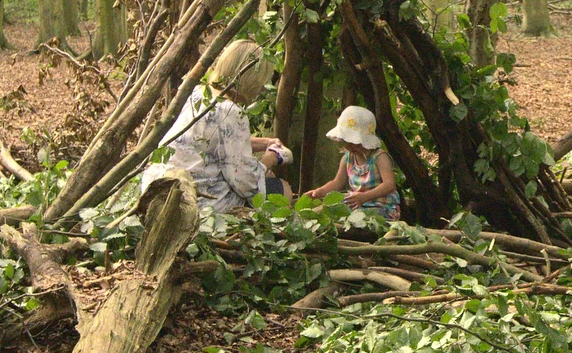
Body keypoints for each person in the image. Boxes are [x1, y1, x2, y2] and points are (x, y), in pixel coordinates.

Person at [140, 40, 291, 212]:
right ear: (252, 79)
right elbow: (246, 183)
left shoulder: (198, 94)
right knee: (282, 190)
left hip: (156, 191)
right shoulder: (231, 111)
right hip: (193, 204)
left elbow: (215, 142)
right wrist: (271, 158)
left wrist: (264, 143)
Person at [304, 105, 402, 221]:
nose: (350, 146)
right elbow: (337, 182)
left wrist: (365, 197)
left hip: (380, 206)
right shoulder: (348, 158)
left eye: (354, 142)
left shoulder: (379, 157)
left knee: (363, 217)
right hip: (357, 204)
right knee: (332, 209)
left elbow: (389, 185)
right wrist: (320, 192)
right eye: (346, 141)